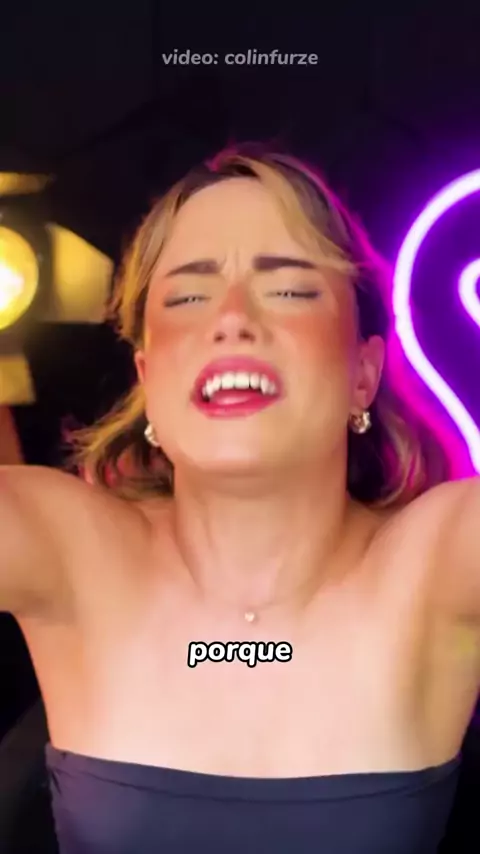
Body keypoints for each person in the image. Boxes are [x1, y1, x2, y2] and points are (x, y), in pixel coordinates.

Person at [0, 144, 479, 854]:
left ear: (363, 372)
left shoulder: (442, 557)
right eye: (187, 297)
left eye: (289, 290)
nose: (231, 319)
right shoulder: (60, 543)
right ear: (148, 378)